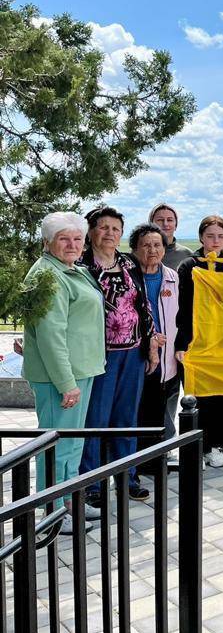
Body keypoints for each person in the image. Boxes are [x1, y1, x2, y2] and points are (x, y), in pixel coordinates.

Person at [21, 212, 105, 534]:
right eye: (63, 239)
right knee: (55, 445)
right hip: (62, 377)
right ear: (48, 242)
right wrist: (66, 383)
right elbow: (51, 333)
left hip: (81, 370)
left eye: (77, 238)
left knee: (72, 445)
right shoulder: (48, 276)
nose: (72, 244)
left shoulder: (71, 271)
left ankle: (69, 501)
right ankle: (51, 511)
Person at [79, 206, 158, 503]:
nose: (110, 233)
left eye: (115, 228)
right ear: (91, 231)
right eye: (103, 227)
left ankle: (128, 476)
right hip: (99, 356)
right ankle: (93, 482)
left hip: (133, 354)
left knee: (127, 419)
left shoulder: (128, 264)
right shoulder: (82, 267)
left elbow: (144, 306)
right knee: (96, 419)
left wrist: (150, 346)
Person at [175, 216, 223, 467]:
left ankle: (221, 440)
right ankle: (201, 446)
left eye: (220, 236)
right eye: (210, 236)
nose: (215, 241)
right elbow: (182, 307)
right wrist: (181, 344)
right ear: (201, 238)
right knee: (200, 398)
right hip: (197, 343)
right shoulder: (188, 266)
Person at [130, 223, 182, 455]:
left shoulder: (173, 277)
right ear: (134, 249)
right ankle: (134, 458)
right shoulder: (128, 277)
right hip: (135, 352)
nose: (152, 250)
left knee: (158, 407)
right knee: (135, 408)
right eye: (146, 245)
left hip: (166, 354)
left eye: (157, 245)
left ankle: (155, 456)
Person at [149, 203, 193, 270]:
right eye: (160, 220)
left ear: (176, 225)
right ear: (150, 224)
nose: (165, 224)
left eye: (170, 220)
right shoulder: (140, 253)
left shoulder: (187, 255)